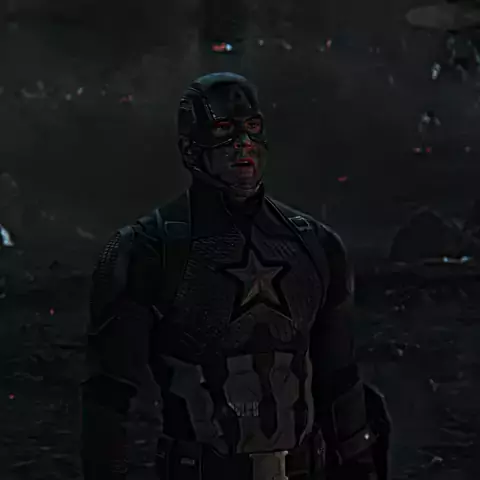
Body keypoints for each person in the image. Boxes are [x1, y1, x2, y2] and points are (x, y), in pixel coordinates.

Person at [81, 72, 390, 480]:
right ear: (190, 148)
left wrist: (360, 466)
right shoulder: (144, 250)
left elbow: (339, 380)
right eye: (224, 130)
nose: (243, 143)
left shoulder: (316, 245)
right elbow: (108, 399)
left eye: (252, 127)